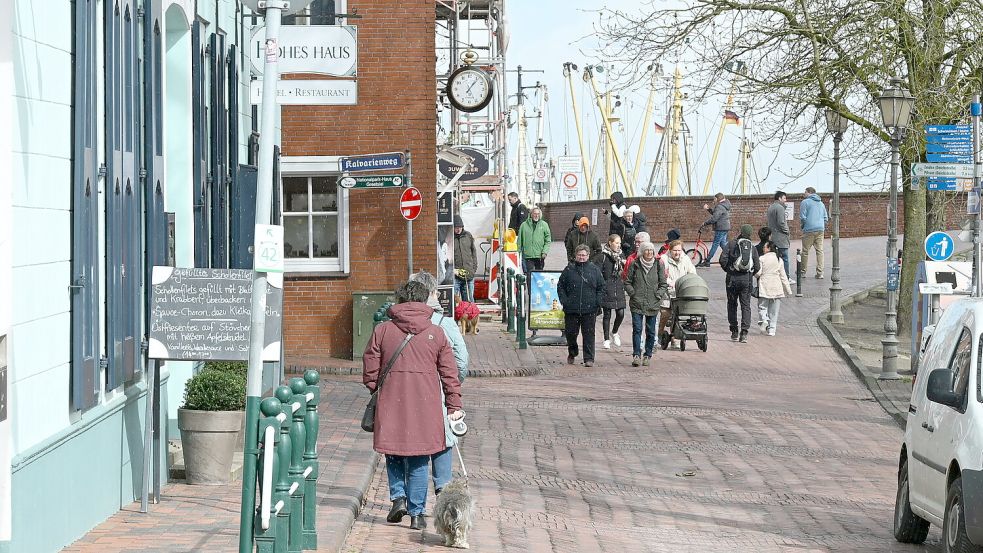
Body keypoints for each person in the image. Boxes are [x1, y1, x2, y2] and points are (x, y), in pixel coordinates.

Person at [362, 280, 462, 531]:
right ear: (424, 300)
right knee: (419, 458)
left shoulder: (382, 330)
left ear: (398, 301)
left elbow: (370, 367)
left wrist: (378, 389)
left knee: (393, 451)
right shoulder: (437, 333)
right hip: (426, 403)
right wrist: (453, 405)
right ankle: (417, 514)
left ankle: (398, 498)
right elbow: (450, 374)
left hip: (391, 400)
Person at [408, 271, 469, 496]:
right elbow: (462, 359)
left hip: (413, 391)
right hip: (441, 389)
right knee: (444, 435)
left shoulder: (402, 321)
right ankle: (443, 488)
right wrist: (450, 382)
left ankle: (415, 499)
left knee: (417, 438)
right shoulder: (445, 322)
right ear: (433, 292)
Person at [558, 245, 605, 367]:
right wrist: (564, 300)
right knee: (571, 333)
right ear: (575, 256)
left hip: (589, 308)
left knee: (589, 334)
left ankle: (589, 358)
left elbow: (601, 287)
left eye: (584, 255)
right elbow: (560, 286)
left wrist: (597, 302)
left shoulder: (594, 270)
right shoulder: (569, 270)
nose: (581, 257)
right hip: (571, 308)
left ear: (588, 256)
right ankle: (572, 351)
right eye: (579, 255)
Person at [624, 241, 668, 367]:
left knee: (650, 331)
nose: (649, 253)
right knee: (637, 329)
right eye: (646, 250)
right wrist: (633, 293)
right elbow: (627, 282)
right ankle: (636, 354)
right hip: (637, 302)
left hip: (653, 302)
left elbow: (663, 283)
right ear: (642, 252)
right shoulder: (635, 264)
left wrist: (658, 295)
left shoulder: (658, 264)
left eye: (651, 250)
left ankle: (647, 355)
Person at [719, 224, 761, 343]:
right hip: (746, 280)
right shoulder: (752, 248)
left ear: (740, 232)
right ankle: (744, 332)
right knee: (745, 305)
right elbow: (757, 266)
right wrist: (749, 274)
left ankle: (734, 331)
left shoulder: (731, 244)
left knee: (732, 305)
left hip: (732, 279)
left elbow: (722, 259)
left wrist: (729, 270)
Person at [659, 239, 697, 349]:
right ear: (670, 250)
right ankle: (659, 334)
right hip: (667, 293)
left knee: (677, 317)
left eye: (679, 250)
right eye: (675, 250)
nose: (677, 253)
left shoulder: (685, 259)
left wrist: (689, 281)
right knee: (665, 315)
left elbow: (692, 272)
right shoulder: (663, 259)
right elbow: (662, 275)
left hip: (680, 293)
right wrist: (669, 282)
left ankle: (674, 338)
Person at [593, 234, 626, 349]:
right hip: (607, 287)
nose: (618, 245)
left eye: (619, 243)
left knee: (621, 313)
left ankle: (615, 331)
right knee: (607, 314)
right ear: (610, 243)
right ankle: (606, 339)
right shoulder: (603, 256)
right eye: (616, 243)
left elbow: (625, 271)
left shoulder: (621, 255)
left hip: (618, 286)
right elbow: (597, 272)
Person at [755, 241, 793, 336]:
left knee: (762, 306)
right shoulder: (779, 259)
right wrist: (788, 290)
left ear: (769, 248)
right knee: (774, 311)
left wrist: (754, 274)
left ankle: (764, 319)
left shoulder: (762, 259)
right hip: (777, 287)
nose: (763, 249)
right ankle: (772, 330)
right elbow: (783, 276)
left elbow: (758, 273)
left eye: (764, 247)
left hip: (765, 285)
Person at [799, 186, 829, 279]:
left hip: (809, 229)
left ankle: (803, 272)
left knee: (805, 251)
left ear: (809, 192)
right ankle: (820, 273)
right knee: (819, 251)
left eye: (805, 192)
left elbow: (803, 217)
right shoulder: (821, 203)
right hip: (820, 229)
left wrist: (803, 226)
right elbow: (825, 218)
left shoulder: (805, 202)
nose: (804, 194)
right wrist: (821, 225)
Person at [700, 193, 732, 267]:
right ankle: (732, 256)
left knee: (715, 244)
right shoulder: (724, 205)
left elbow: (714, 219)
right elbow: (716, 214)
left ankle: (707, 261)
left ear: (718, 198)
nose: (713, 200)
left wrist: (705, 223)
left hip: (720, 228)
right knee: (723, 244)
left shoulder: (719, 206)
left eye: (714, 199)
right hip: (725, 227)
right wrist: (708, 209)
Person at [517, 207, 551, 273]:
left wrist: (545, 252)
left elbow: (548, 240)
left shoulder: (544, 225)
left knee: (539, 275)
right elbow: (519, 241)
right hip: (528, 256)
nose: (536, 215)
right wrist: (517, 253)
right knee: (529, 274)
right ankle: (529, 283)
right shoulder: (524, 225)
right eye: (535, 213)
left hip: (540, 256)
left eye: (538, 214)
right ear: (531, 214)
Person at [453, 215, 478, 302]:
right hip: (455, 276)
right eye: (456, 227)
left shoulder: (468, 236)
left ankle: (471, 316)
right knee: (454, 301)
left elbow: (473, 252)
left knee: (469, 301)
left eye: (460, 227)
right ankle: (457, 315)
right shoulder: (449, 237)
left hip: (469, 274)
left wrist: (473, 268)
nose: (458, 229)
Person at [767, 191, 791, 278]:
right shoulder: (780, 208)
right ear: (779, 198)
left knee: (775, 258)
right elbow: (781, 222)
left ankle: (776, 277)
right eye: (784, 198)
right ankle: (786, 277)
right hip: (781, 237)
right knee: (784, 258)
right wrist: (787, 231)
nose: (785, 200)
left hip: (773, 236)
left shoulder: (771, 207)